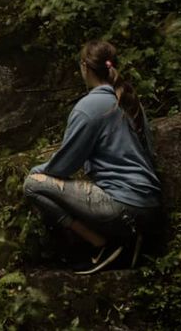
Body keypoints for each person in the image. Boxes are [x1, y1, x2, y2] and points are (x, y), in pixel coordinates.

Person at [23, 40, 162, 274]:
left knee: (32, 184)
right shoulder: (129, 101)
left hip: (122, 207)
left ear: (84, 68)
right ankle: (128, 239)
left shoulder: (89, 107)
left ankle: (105, 245)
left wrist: (37, 170)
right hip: (150, 206)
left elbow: (63, 166)